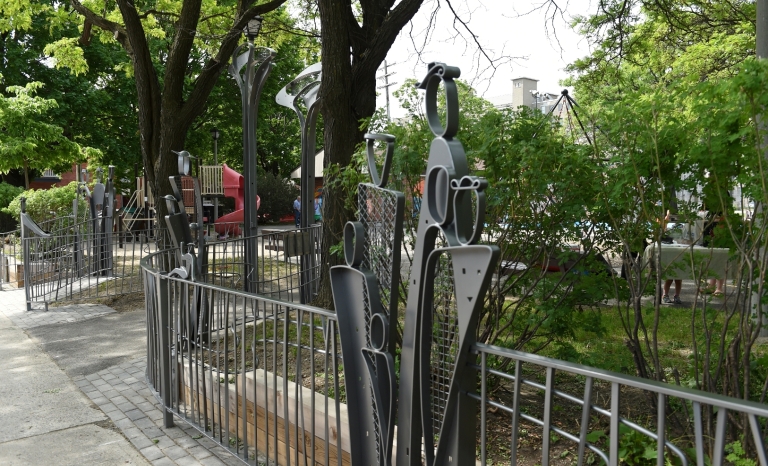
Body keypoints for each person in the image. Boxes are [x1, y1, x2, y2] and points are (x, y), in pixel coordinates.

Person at [659, 210, 683, 305]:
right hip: (671, 254)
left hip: (679, 252)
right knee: (669, 277)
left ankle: (677, 295)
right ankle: (665, 295)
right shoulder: (665, 226)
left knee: (679, 278)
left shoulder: (680, 227)